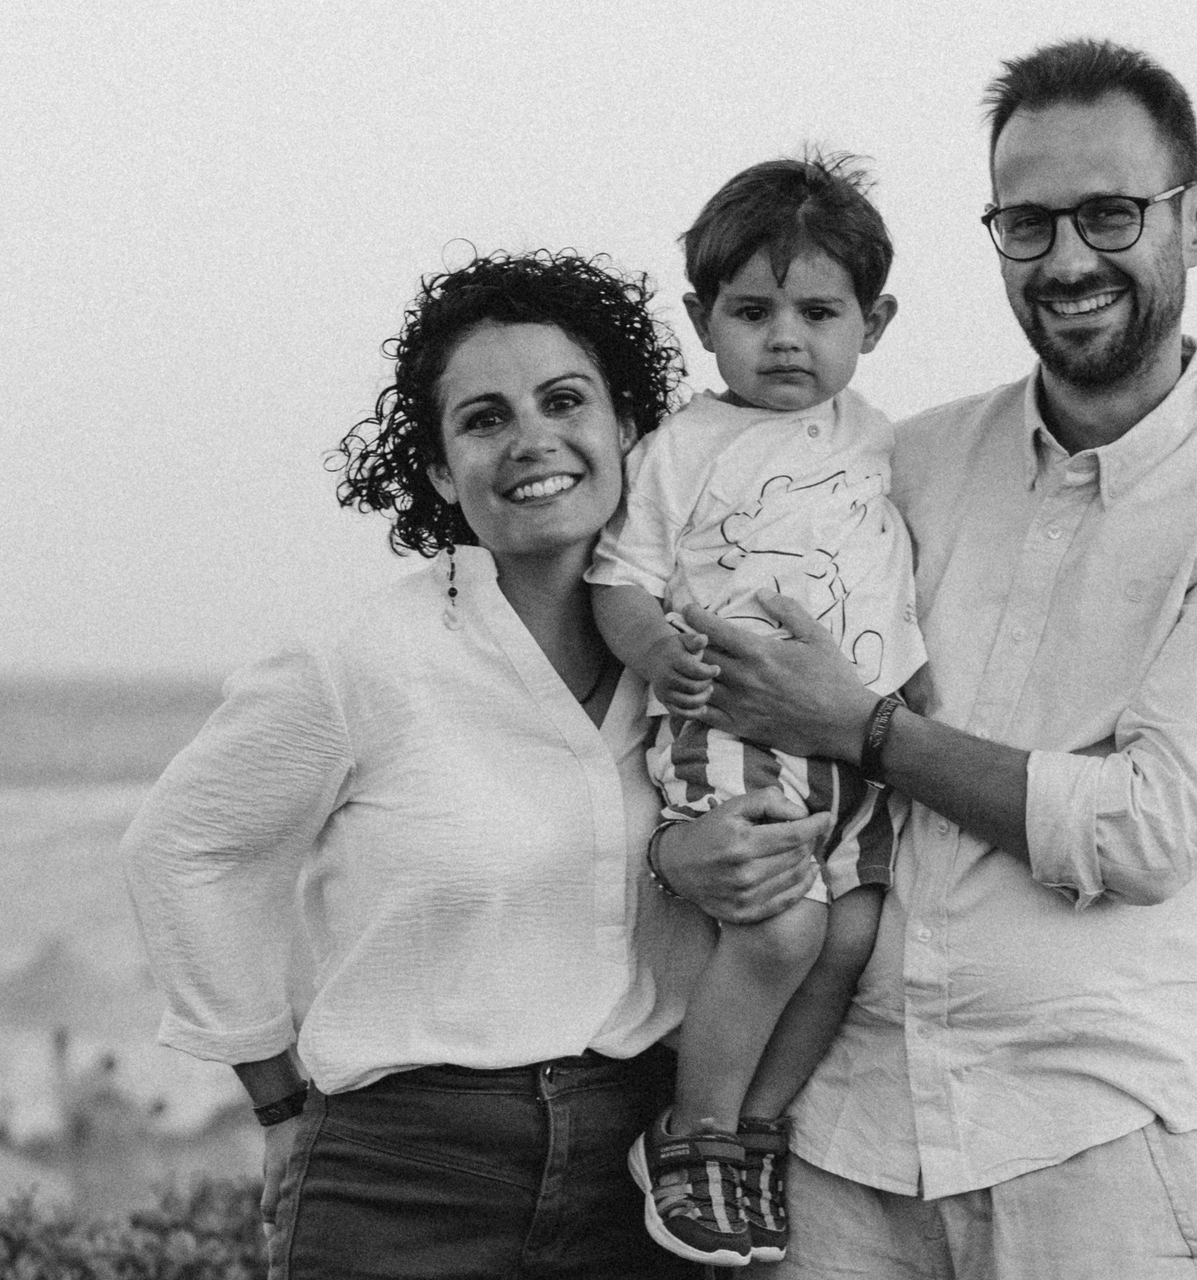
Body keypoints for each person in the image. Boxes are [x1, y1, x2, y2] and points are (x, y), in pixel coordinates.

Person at [656, 39, 1197, 1280]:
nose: (1068, 259)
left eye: (1110, 214)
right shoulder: (900, 460)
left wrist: (867, 729)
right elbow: (718, 682)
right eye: (1028, 224)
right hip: (836, 1139)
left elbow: (1143, 829)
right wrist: (680, 847)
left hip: (1091, 1147)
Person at [121, 250, 828, 1280]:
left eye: (565, 400)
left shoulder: (704, 656)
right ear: (444, 473)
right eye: (485, 419)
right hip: (402, 1180)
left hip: (643, 1179)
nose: (533, 438)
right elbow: (180, 848)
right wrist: (275, 1102)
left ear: (630, 429)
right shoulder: (362, 659)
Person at [588, 154, 922, 1267]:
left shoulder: (877, 437)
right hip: (729, 730)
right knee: (782, 928)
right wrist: (657, 653)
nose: (786, 339)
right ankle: (692, 1132)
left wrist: (911, 700)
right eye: (752, 312)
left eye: (819, 313)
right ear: (703, 320)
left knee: (853, 933)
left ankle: (757, 1128)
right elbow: (618, 580)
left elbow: (888, 581)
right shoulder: (682, 448)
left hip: (854, 748)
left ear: (873, 322)